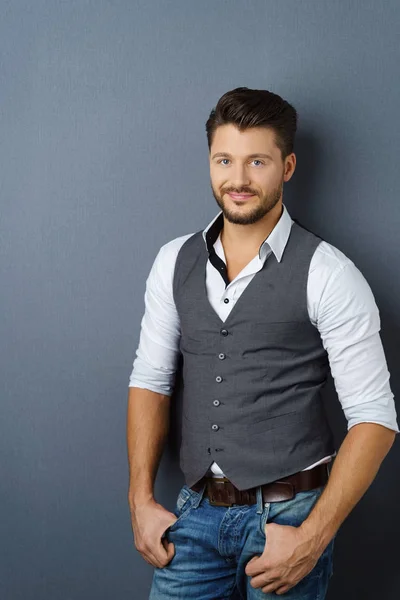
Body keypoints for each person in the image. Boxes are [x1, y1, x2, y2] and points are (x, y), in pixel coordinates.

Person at [126, 87, 398, 599]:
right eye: (224, 160)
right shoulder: (172, 262)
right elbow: (150, 380)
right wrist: (140, 499)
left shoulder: (328, 273)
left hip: (288, 521)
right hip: (195, 517)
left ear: (288, 166)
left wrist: (312, 538)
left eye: (258, 161)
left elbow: (374, 418)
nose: (239, 179)